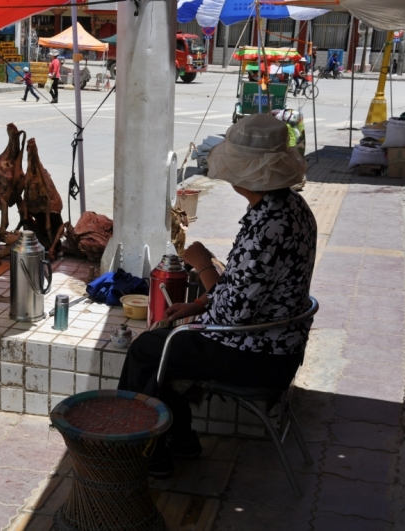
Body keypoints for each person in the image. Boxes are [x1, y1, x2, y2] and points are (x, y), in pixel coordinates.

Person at [117, 113, 316, 478]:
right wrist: (194, 305)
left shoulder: (270, 226)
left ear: (246, 174)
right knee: (165, 346)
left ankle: (143, 452)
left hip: (260, 355)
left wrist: (203, 263)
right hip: (274, 340)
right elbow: (249, 289)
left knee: (148, 351)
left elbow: (233, 314)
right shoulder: (288, 208)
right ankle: (178, 440)